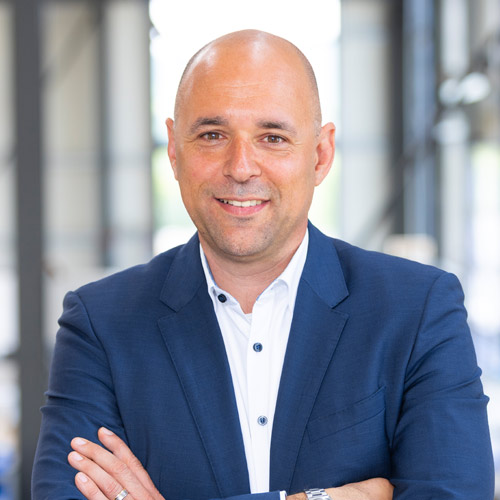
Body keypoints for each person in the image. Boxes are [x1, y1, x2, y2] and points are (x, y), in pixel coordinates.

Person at [32, 30, 494, 500]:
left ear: (321, 155)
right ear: (174, 149)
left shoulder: (417, 309)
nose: (241, 167)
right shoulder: (101, 323)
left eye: (273, 138)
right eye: (212, 135)